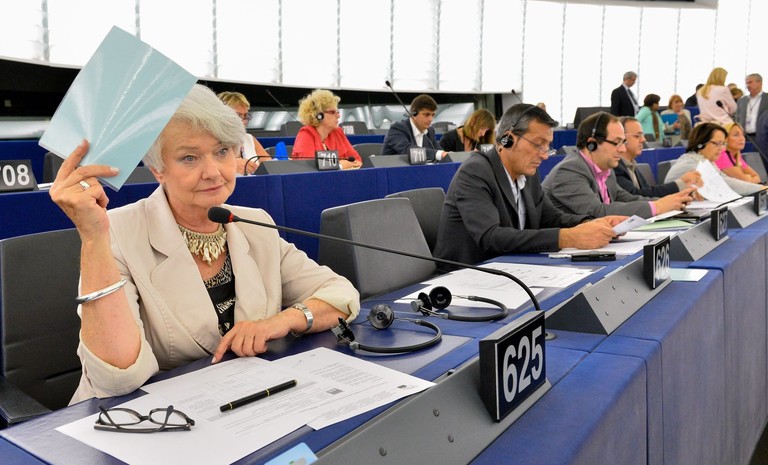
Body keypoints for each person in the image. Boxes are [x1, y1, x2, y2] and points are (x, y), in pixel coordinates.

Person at [49, 85, 360, 402]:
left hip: (243, 400)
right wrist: (93, 238)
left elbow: (341, 295)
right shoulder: (115, 231)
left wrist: (281, 321)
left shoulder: (254, 223)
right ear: (158, 169)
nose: (213, 172)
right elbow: (117, 379)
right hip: (146, 414)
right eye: (189, 158)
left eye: (222, 151)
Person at [432, 103, 624, 267]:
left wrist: (591, 224)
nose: (544, 155)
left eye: (547, 146)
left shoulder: (528, 175)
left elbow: (552, 218)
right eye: (538, 145)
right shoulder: (475, 171)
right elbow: (491, 237)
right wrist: (569, 237)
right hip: (466, 275)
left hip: (510, 269)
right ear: (508, 139)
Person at [542, 112, 695, 219]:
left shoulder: (606, 170)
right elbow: (598, 211)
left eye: (623, 142)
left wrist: (671, 201)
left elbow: (627, 199)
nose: (622, 149)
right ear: (592, 144)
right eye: (616, 143)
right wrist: (659, 206)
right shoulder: (569, 170)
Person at [665, 122, 764, 197]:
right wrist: (762, 189)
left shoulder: (705, 160)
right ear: (701, 143)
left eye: (723, 144)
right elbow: (725, 183)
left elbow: (724, 179)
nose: (721, 148)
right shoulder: (692, 164)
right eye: (717, 143)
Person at [615, 116, 702, 197]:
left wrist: (686, 192)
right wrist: (680, 183)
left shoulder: (632, 165)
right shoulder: (615, 167)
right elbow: (635, 195)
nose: (643, 140)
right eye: (637, 136)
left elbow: (649, 193)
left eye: (642, 135)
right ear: (621, 139)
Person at [291, 89, 362, 169]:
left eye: (337, 112)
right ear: (318, 115)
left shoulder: (337, 132)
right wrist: (340, 166)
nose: (338, 116)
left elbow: (357, 160)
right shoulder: (306, 134)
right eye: (332, 112)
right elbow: (309, 167)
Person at [217, 91, 271, 175]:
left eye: (245, 116)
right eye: (238, 115)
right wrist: (232, 165)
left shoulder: (248, 139)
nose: (244, 121)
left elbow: (270, 165)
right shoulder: (211, 140)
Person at [382, 94, 447, 161]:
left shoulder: (430, 131)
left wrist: (447, 155)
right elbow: (407, 150)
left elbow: (439, 151)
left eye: (432, 115)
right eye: (426, 115)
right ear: (414, 113)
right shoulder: (397, 129)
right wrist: (438, 154)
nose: (430, 119)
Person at [735, 73, 768, 139]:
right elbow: (737, 118)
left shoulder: (766, 98)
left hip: (763, 137)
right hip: (744, 137)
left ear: (760, 83)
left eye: (750, 82)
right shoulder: (742, 100)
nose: (748, 85)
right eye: (746, 83)